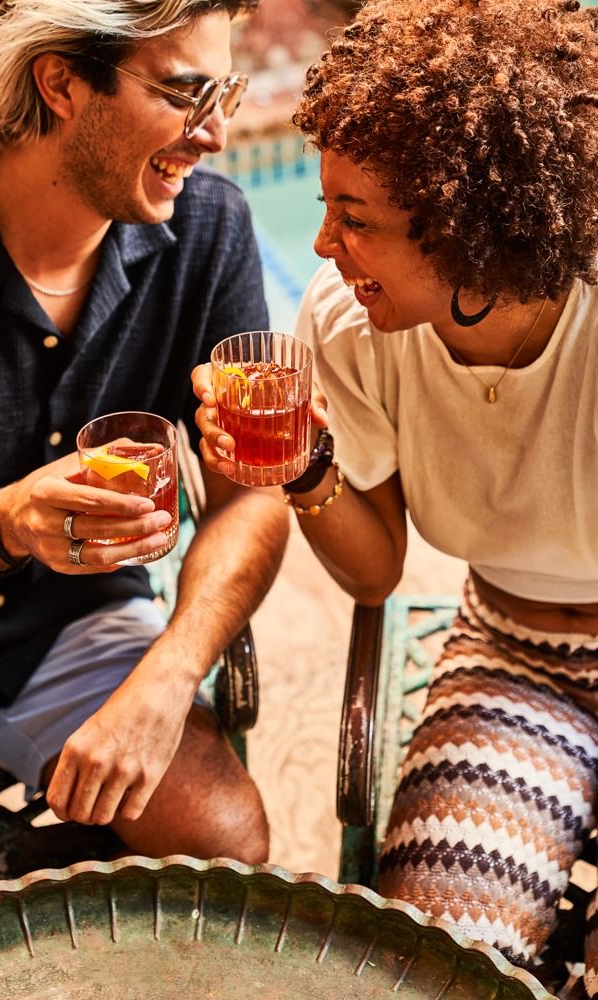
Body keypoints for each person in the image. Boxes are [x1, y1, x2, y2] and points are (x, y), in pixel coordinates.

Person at [193, 0, 598, 991]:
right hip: (515, 660)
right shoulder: (348, 324)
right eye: (323, 210)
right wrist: (301, 463)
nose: (325, 245)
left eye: (356, 219)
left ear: (468, 227)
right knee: (433, 966)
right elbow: (373, 571)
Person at [0, 0, 290, 864]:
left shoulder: (211, 228)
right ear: (60, 82)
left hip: (82, 622)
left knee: (224, 844)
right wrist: (6, 522)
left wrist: (169, 677)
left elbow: (253, 500)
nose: (212, 138)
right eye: (181, 93)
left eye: (222, 95)